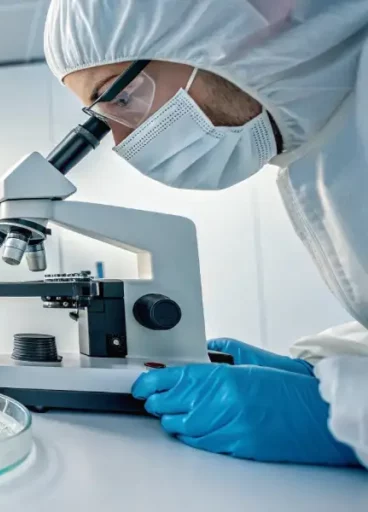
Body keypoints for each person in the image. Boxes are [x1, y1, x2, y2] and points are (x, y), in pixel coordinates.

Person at [44, 0, 368, 467]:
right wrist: (325, 367)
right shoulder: (323, 144)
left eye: (120, 97)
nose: (119, 141)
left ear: (229, 31)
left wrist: (340, 416)